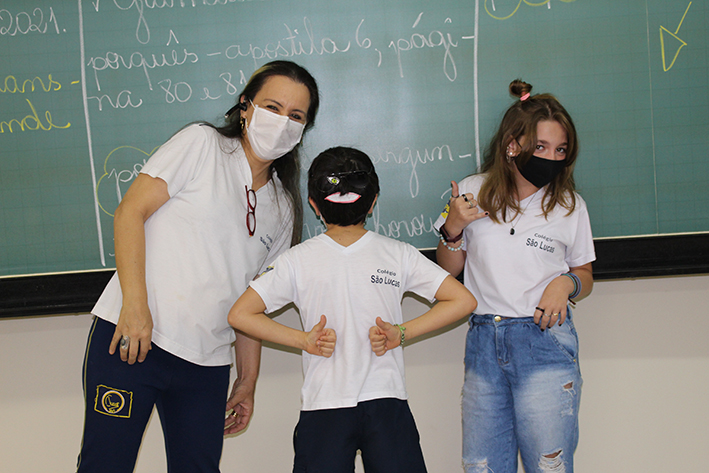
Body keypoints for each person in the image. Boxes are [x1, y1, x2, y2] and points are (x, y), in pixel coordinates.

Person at [76, 60, 320, 473]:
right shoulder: (202, 144)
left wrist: (247, 380)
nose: (282, 122)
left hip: (206, 365)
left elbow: (252, 302)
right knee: (105, 464)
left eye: (296, 116)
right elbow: (130, 212)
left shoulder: (283, 207)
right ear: (244, 107)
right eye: (272, 107)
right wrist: (134, 308)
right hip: (133, 339)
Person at [228, 147, 477, 473]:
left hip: (345, 403)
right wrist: (401, 334)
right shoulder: (397, 253)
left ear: (314, 204)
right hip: (368, 403)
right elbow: (463, 300)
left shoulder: (297, 259)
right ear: (373, 202)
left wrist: (304, 340)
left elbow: (240, 314)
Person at [434, 79, 595, 473]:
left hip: (544, 341)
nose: (551, 158)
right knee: (483, 465)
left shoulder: (570, 205)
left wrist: (565, 283)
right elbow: (447, 271)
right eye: (541, 147)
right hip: (484, 341)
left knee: (549, 464)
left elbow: (585, 274)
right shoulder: (471, 191)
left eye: (560, 150)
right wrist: (452, 228)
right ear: (512, 145)